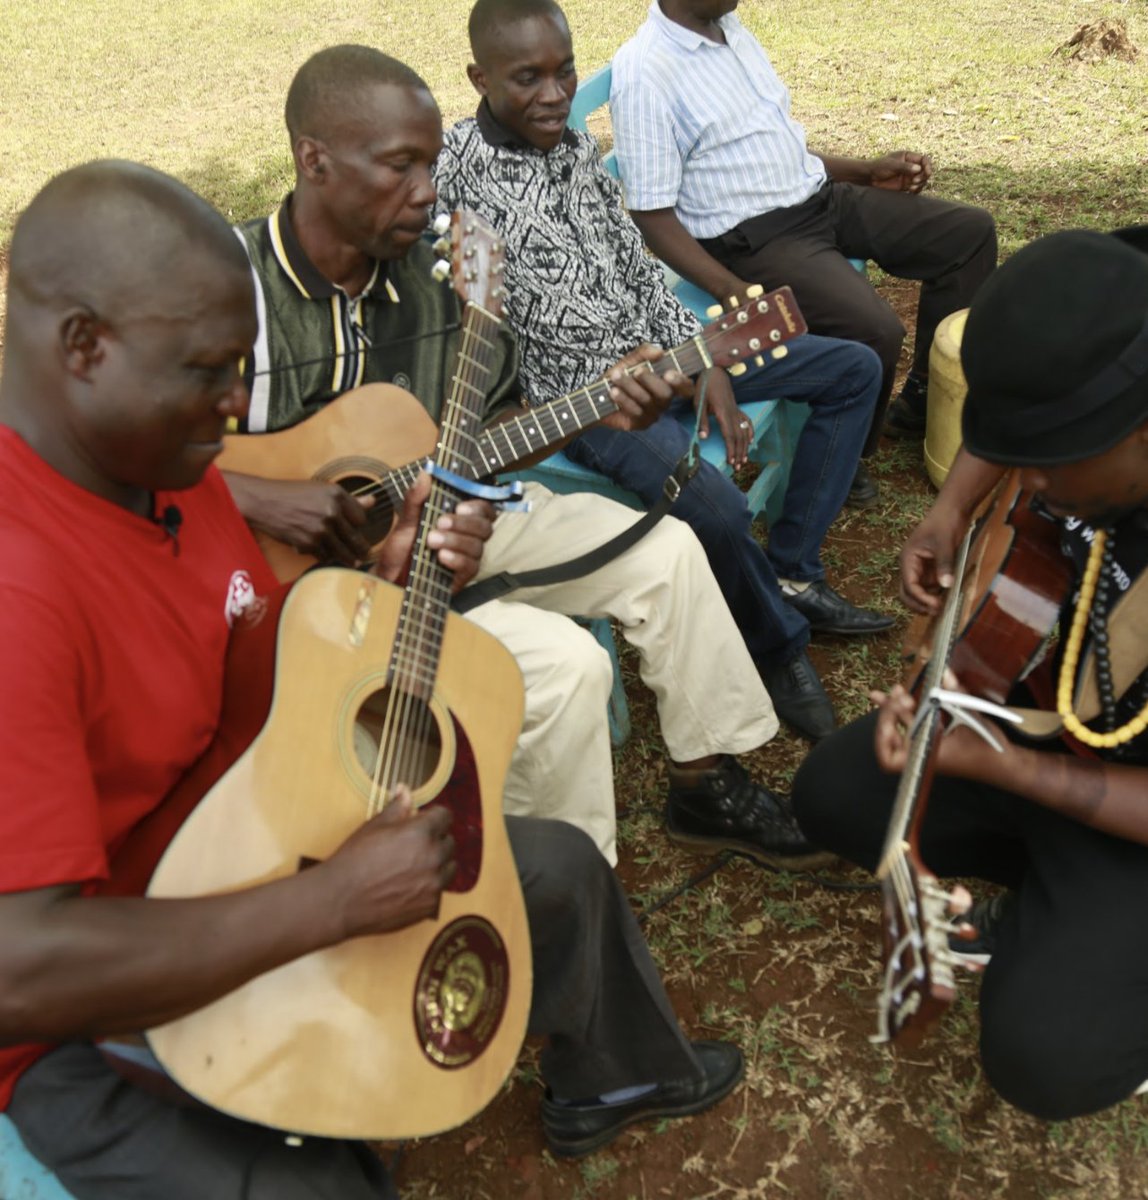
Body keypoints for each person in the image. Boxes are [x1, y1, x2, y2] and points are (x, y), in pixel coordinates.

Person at [0, 159, 747, 1198]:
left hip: (239, 842)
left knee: (560, 871)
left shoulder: (159, 467)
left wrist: (387, 582)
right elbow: (19, 972)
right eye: (208, 373)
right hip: (86, 1020)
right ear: (83, 345)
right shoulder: (19, 586)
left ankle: (616, 1077)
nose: (232, 408)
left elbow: (246, 653)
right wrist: (331, 904)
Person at [225, 43, 827, 868]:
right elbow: (111, 452)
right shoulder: (230, 289)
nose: (429, 191)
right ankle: (555, 880)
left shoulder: (436, 271)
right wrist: (260, 499)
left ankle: (704, 783)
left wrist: (599, 406)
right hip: (300, 591)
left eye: (431, 165)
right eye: (400, 167)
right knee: (571, 665)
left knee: (672, 551)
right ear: (313, 160)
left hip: (449, 514)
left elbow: (495, 419)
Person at [432, 0, 894, 747]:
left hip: (667, 356)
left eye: (564, 72)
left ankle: (792, 570)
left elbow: (640, 273)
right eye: (527, 78)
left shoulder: (574, 148)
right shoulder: (451, 172)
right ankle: (779, 650)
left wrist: (703, 357)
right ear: (479, 78)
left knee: (853, 368)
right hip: (583, 402)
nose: (553, 94)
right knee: (712, 507)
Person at [791, 226, 1148, 1120]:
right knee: (837, 794)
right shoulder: (1118, 327)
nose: (1028, 480)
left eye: (1052, 456)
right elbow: (1025, 424)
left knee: (1047, 1059)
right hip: (1047, 715)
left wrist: (997, 765)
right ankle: (1058, 908)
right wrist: (948, 515)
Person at [609, 0, 998, 484]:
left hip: (821, 198)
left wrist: (866, 171)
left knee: (967, 235)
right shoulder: (646, 70)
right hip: (757, 239)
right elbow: (651, 215)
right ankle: (846, 456)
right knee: (876, 328)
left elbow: (773, 146)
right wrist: (728, 286)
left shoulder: (727, 28)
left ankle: (920, 396)